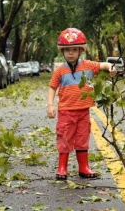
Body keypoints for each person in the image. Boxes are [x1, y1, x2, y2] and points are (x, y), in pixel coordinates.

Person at [47, 28, 117, 180]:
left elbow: (103, 65)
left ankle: (84, 167)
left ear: (80, 51)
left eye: (74, 50)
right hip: (66, 112)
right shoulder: (59, 71)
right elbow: (52, 87)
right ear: (62, 52)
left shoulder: (88, 66)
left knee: (82, 139)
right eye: (67, 50)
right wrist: (50, 105)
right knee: (64, 137)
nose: (70, 53)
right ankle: (62, 167)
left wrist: (110, 68)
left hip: (83, 111)